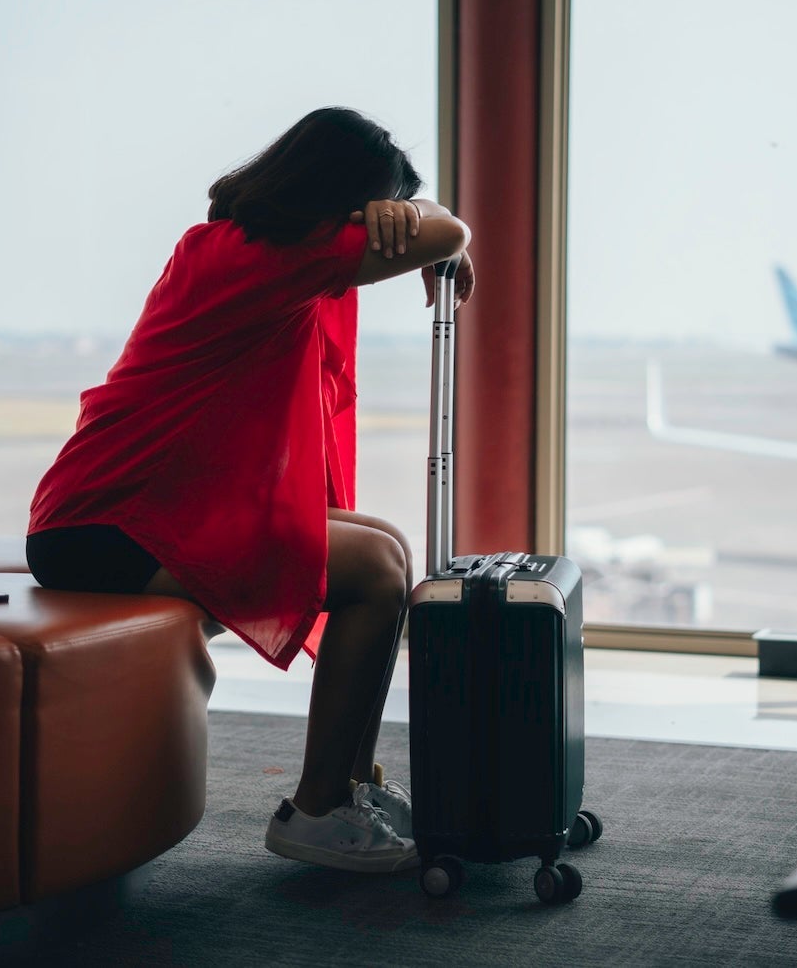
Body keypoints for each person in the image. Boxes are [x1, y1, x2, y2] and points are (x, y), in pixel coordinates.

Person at [26, 107, 474, 874]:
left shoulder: (246, 246)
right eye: (379, 210)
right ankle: (316, 807)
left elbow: (433, 236)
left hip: (133, 505)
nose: (383, 230)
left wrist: (414, 221)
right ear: (345, 199)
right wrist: (430, 226)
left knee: (385, 544)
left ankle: (348, 787)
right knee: (376, 572)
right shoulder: (269, 255)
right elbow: (447, 233)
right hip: (104, 524)